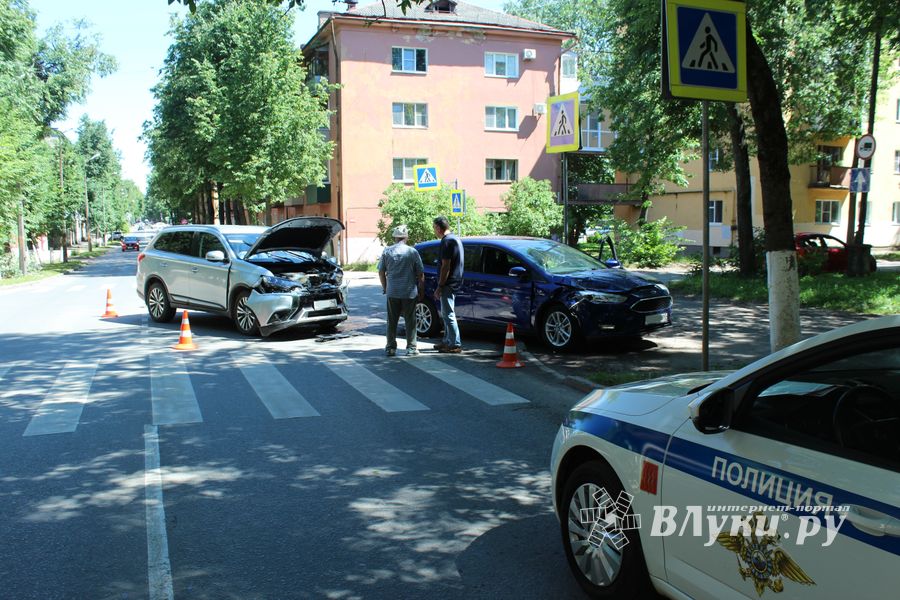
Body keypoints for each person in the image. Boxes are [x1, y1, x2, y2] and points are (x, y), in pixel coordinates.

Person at [377, 224, 424, 357]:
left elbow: (381, 272)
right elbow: (420, 274)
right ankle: (411, 347)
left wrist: (385, 287)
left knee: (392, 320)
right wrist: (421, 290)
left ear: (394, 238)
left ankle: (391, 348)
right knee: (410, 320)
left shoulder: (387, 251)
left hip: (393, 292)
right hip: (409, 292)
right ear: (406, 237)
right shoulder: (412, 252)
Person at [432, 216, 464, 353]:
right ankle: (447, 341)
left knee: (448, 313)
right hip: (455, 281)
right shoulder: (455, 239)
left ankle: (455, 344)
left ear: (439, 228)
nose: (434, 230)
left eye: (434, 228)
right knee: (445, 313)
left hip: (448, 283)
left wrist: (440, 285)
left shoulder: (446, 242)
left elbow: (446, 266)